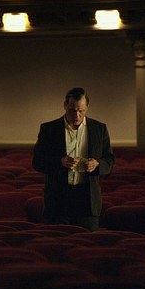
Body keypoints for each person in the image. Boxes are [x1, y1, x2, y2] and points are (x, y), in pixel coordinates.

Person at [32, 87, 114, 230]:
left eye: (81, 111)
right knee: (57, 240)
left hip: (87, 198)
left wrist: (97, 164)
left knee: (88, 241)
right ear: (65, 106)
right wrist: (60, 161)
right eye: (72, 110)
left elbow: (109, 160)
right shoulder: (49, 129)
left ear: (87, 108)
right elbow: (37, 161)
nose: (77, 115)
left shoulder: (99, 129)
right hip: (58, 199)